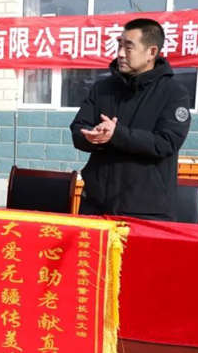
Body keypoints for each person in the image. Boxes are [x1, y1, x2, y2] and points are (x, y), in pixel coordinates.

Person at [70, 18, 191, 221]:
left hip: (146, 210)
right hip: (96, 205)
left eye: (128, 48)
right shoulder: (103, 88)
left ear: (151, 52)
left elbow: (166, 142)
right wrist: (91, 137)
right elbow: (78, 128)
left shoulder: (173, 93)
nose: (120, 54)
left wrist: (117, 134)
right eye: (119, 45)